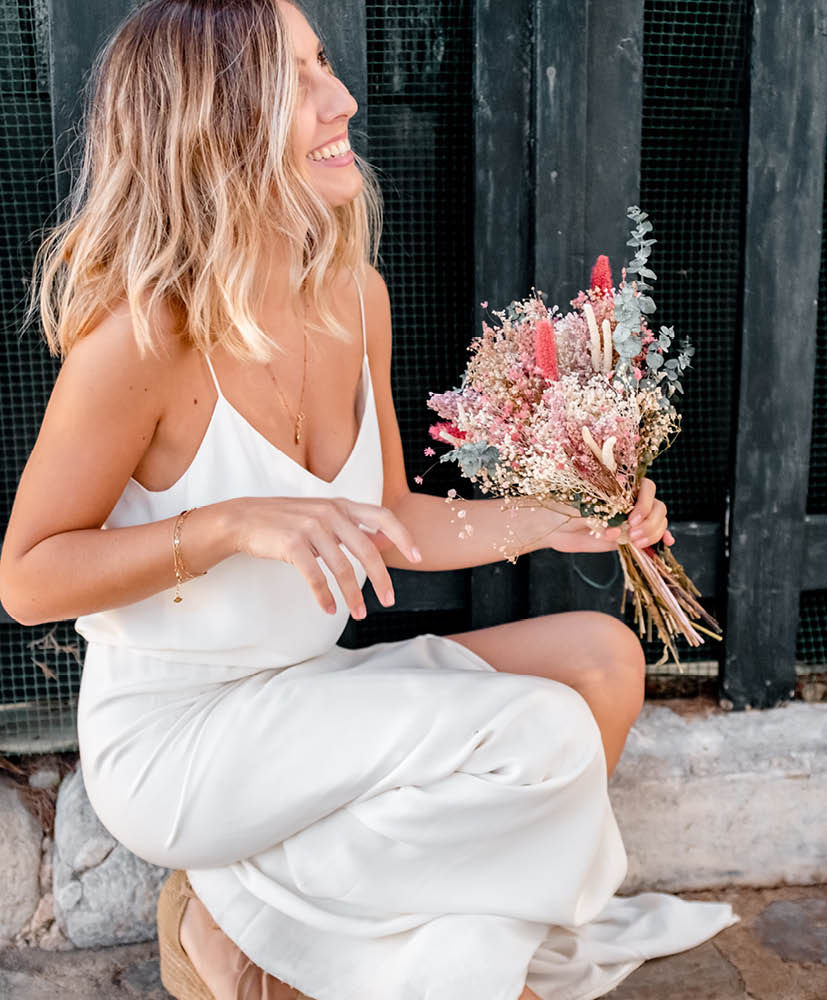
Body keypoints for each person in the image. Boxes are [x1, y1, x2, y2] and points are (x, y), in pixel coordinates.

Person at [0, 1, 739, 997]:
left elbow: (387, 518)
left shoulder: (355, 295)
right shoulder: (142, 339)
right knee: (542, 734)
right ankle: (281, 929)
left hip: (302, 699)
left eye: (324, 65)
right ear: (212, 126)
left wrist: (553, 519)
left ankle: (247, 909)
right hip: (178, 737)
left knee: (597, 662)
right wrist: (225, 526)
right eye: (295, 79)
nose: (341, 98)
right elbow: (29, 579)